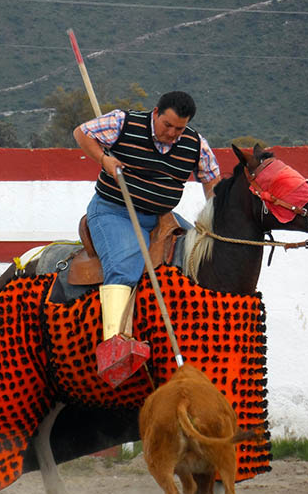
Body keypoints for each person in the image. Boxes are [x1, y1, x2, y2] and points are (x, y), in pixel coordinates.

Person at [73, 91, 220, 345]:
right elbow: (82, 133)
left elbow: (211, 180)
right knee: (124, 267)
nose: (173, 133)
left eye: (179, 128)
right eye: (168, 125)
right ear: (155, 113)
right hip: (114, 211)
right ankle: (116, 343)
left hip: (162, 217)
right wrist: (103, 159)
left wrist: (218, 215)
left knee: (199, 256)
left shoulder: (196, 144)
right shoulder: (123, 122)